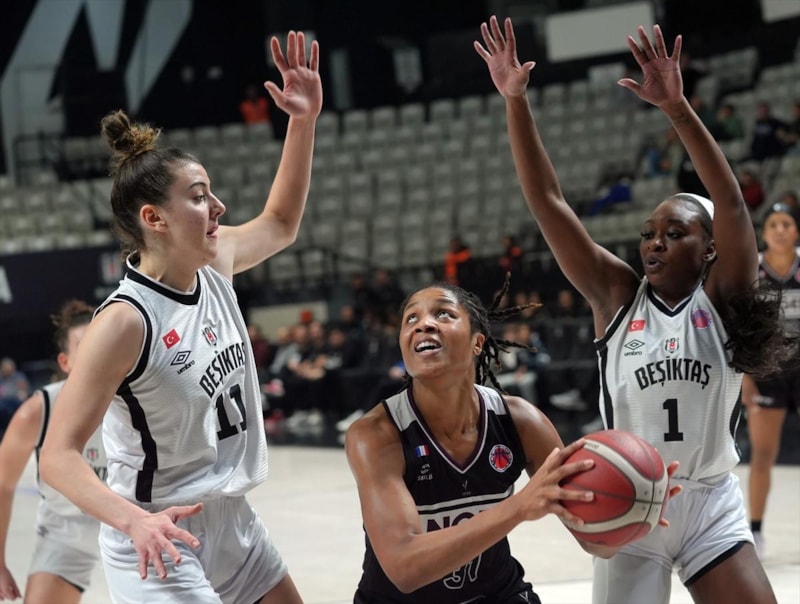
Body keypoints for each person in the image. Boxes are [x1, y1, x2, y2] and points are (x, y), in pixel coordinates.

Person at [476, 16, 795, 603]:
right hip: (629, 499)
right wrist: (515, 102)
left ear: (710, 249)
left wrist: (677, 109)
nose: (654, 243)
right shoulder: (617, 296)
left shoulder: (722, 300)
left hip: (709, 502)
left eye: (674, 233)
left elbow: (730, 203)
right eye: (649, 233)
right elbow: (548, 202)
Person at [39, 30, 322, 604]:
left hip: (234, 521)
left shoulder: (216, 264)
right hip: (158, 533)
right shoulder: (125, 322)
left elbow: (281, 223)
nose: (218, 207)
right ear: (154, 218)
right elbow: (58, 457)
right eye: (198, 196)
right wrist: (133, 522)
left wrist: (303, 120)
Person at [344, 276, 681, 602]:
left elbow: (593, 542)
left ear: (477, 342)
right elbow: (404, 568)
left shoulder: (521, 421)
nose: (424, 324)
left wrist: (633, 510)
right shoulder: (376, 434)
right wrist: (519, 507)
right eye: (411, 318)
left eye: (443, 313)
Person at [0, 300, 105, 604]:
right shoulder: (37, 411)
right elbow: (3, 484)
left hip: (132, 527)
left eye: (101, 343)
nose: (96, 352)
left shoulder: (143, 397)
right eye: (84, 346)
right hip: (66, 534)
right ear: (65, 362)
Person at [742, 203, 800, 559]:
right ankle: (755, 531)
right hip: (767, 373)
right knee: (762, 454)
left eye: (786, 223)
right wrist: (745, 378)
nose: (780, 229)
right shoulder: (754, 269)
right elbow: (741, 327)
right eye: (773, 224)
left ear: (796, 231)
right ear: (763, 233)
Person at [0, 357, 30, 437]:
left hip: (14, 401)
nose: (7, 370)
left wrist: (22, 395)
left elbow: (23, 391)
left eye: (9, 368)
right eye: (5, 368)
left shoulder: (19, 377)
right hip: (2, 402)